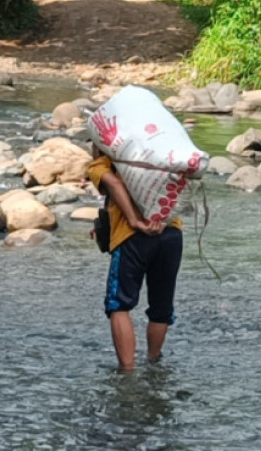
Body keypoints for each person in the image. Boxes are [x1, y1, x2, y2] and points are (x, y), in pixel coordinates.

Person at [88, 145, 183, 372]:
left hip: (133, 237)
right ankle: (153, 363)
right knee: (161, 306)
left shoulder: (105, 160)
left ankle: (128, 372)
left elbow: (115, 183)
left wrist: (133, 220)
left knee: (119, 305)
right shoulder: (162, 151)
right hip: (170, 232)